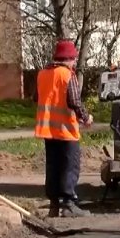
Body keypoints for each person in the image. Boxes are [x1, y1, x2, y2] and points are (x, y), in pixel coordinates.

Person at [35, 39, 94, 218]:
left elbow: (36, 97)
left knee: (53, 166)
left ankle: (54, 205)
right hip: (66, 130)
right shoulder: (67, 75)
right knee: (70, 166)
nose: (74, 62)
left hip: (48, 130)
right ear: (68, 58)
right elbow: (74, 101)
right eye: (74, 59)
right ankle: (68, 203)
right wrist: (86, 117)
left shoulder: (42, 74)